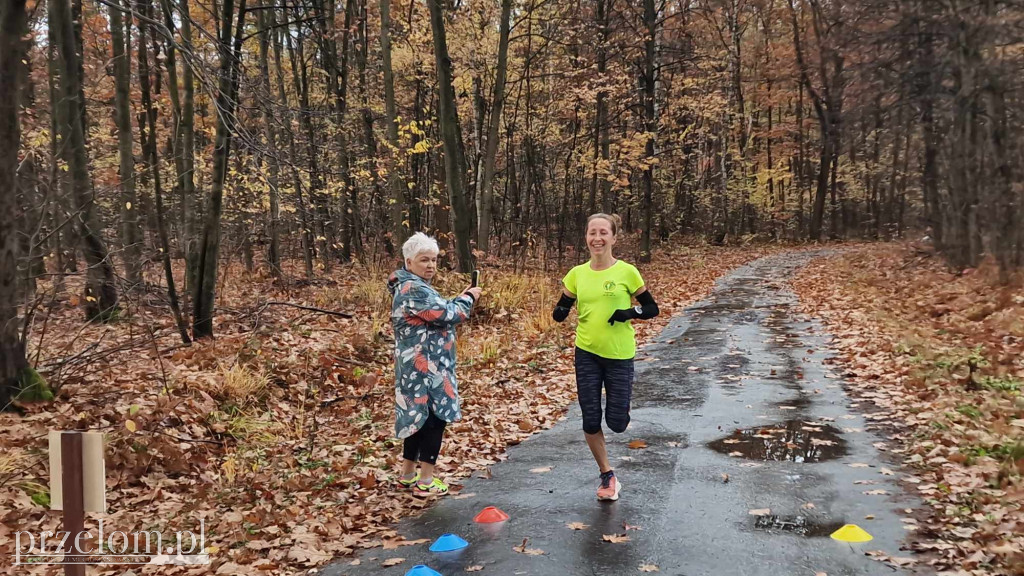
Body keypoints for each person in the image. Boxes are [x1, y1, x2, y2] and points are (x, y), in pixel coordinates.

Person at [552, 214, 659, 501]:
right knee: (590, 418)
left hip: (619, 355)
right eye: (591, 233)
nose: (596, 238)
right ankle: (607, 475)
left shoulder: (627, 272)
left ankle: (620, 411)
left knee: (616, 423)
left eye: (603, 232)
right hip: (586, 352)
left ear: (613, 237)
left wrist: (629, 312)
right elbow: (563, 304)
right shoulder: (576, 274)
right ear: (585, 237)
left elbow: (652, 308)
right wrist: (561, 310)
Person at [387, 232, 482, 497]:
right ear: (408, 261)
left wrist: (456, 299)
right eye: (423, 260)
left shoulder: (411, 285)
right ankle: (426, 480)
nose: (430, 265)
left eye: (433, 260)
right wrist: (469, 298)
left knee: (417, 418)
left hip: (420, 366)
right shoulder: (414, 288)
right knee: (433, 419)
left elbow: (436, 309)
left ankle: (407, 474)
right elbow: (450, 314)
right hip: (426, 368)